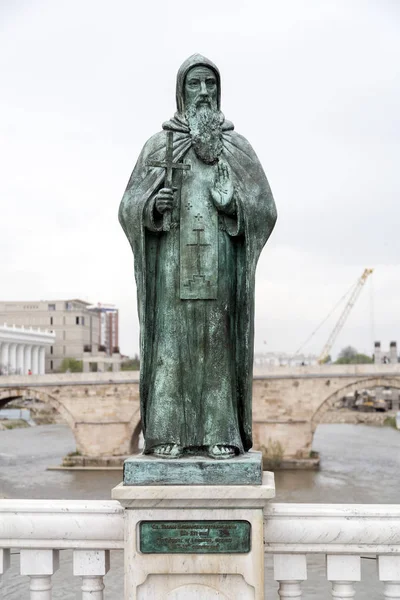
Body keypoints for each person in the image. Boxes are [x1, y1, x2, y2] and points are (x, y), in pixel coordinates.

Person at [119, 54, 277, 459]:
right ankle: (167, 430)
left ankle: (220, 431)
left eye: (210, 84)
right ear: (181, 91)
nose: (204, 92)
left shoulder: (236, 148)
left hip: (219, 265)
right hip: (172, 271)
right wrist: (153, 207)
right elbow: (129, 205)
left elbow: (265, 209)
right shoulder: (159, 145)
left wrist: (232, 207)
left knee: (217, 340)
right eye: (195, 84)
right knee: (171, 345)